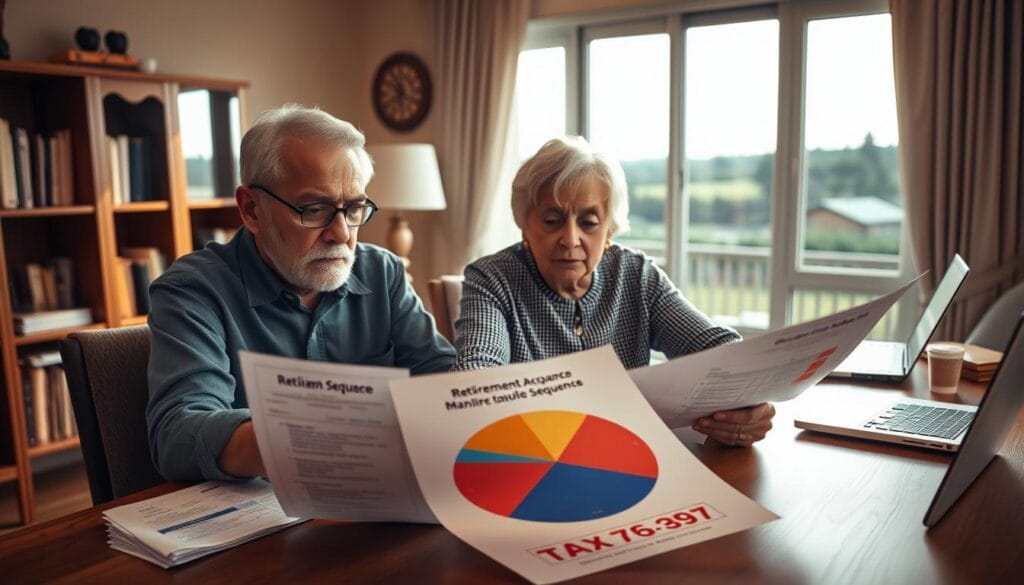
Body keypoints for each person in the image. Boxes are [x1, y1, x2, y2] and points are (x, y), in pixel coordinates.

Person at [147, 105, 455, 481]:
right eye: (313, 209)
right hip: (261, 521)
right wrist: (313, 434)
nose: (341, 233)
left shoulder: (382, 272)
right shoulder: (193, 291)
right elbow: (178, 438)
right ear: (251, 209)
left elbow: (442, 382)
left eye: (354, 209)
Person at [453, 136, 774, 447]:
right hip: (533, 457)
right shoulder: (493, 278)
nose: (570, 239)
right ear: (524, 222)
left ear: (610, 228)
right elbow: (477, 368)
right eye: (552, 220)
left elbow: (718, 348)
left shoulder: (635, 276)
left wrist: (747, 404)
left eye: (589, 222)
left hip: (628, 454)